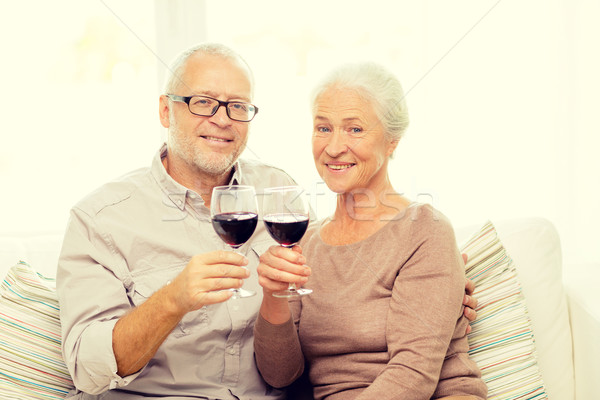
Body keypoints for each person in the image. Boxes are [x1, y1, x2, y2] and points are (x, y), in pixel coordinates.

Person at [56, 43, 478, 399]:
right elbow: (88, 371)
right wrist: (173, 299)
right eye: (202, 102)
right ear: (166, 111)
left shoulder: (280, 194)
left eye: (237, 107)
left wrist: (442, 285)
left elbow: (361, 272)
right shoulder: (101, 219)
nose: (221, 119)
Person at [253, 62, 488, 400]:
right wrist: (273, 295)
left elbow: (413, 374)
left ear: (391, 141)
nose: (333, 147)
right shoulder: (306, 243)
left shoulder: (425, 229)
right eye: (323, 128)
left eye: (355, 129)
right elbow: (281, 376)